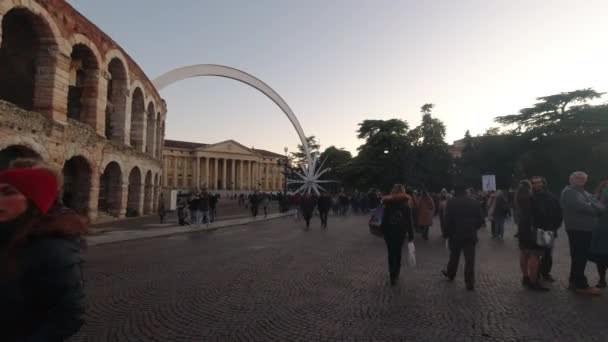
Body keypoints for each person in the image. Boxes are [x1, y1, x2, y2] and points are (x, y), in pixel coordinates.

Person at [0, 167, 87, 341]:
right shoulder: (6, 236)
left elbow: (69, 315)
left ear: (33, 200)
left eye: (7, 192)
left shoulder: (53, 250)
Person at [561, 172, 605, 295]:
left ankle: (574, 281)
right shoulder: (569, 191)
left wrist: (593, 205)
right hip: (577, 229)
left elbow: (600, 206)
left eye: (583, 178)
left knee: (580, 256)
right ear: (571, 179)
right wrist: (593, 206)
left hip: (586, 229)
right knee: (579, 256)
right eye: (577, 178)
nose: (580, 180)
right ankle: (581, 285)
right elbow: (583, 207)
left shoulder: (584, 193)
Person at [441, 184, 484, 291]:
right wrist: (473, 227)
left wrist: (447, 233)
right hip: (470, 234)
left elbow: (447, 219)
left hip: (455, 234)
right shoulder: (474, 202)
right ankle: (469, 283)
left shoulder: (451, 202)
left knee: (454, 256)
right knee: (470, 260)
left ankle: (451, 274)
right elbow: (480, 220)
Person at [516, 180, 549, 291]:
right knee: (535, 254)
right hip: (533, 227)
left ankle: (525, 277)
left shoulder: (519, 197)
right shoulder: (532, 199)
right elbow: (540, 213)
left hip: (523, 226)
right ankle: (533, 281)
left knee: (524, 252)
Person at [530, 177, 563, 283]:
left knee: (547, 254)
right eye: (534, 183)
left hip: (548, 229)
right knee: (535, 254)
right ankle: (535, 274)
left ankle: (545, 273)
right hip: (535, 229)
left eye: (539, 183)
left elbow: (558, 212)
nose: (537, 185)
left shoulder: (551, 197)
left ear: (543, 184)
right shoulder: (530, 197)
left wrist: (554, 226)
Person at [381, 185, 414, 286]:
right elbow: (409, 221)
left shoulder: (387, 204)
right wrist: (411, 234)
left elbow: (384, 219)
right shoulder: (405, 205)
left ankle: (392, 273)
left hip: (389, 232)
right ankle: (396, 273)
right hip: (400, 232)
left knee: (391, 252)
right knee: (398, 252)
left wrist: (383, 231)